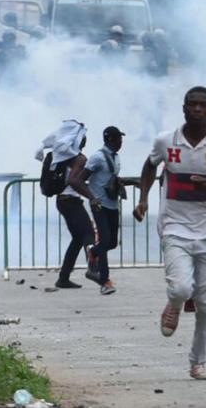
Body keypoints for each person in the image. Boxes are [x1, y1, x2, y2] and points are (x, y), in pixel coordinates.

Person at [133, 86, 206, 380]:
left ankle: (197, 363)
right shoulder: (166, 141)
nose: (197, 109)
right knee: (182, 289)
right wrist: (144, 198)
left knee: (205, 305)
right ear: (184, 108)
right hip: (174, 227)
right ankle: (173, 303)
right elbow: (149, 166)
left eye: (203, 105)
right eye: (192, 104)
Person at [70, 126, 132, 295]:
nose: (121, 142)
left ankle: (93, 252)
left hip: (112, 204)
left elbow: (111, 179)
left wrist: (133, 183)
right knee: (104, 241)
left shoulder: (116, 157)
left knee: (111, 242)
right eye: (119, 139)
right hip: (99, 205)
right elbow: (78, 180)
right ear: (111, 139)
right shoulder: (97, 157)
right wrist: (92, 197)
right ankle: (105, 281)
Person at [36, 120, 94, 289]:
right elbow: (74, 181)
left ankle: (63, 278)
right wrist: (92, 196)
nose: (85, 140)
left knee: (77, 239)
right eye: (83, 137)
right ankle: (94, 270)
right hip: (71, 202)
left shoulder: (60, 157)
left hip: (63, 201)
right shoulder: (79, 158)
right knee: (88, 234)